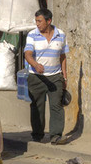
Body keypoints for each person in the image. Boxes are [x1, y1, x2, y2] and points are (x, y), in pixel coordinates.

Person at [24, 8, 71, 145]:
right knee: (37, 106)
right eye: (36, 21)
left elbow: (63, 56)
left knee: (56, 105)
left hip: (55, 76)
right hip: (36, 77)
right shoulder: (32, 35)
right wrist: (35, 64)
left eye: (40, 21)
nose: (37, 24)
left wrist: (64, 76)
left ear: (48, 21)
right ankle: (37, 135)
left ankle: (55, 136)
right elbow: (27, 54)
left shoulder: (61, 35)